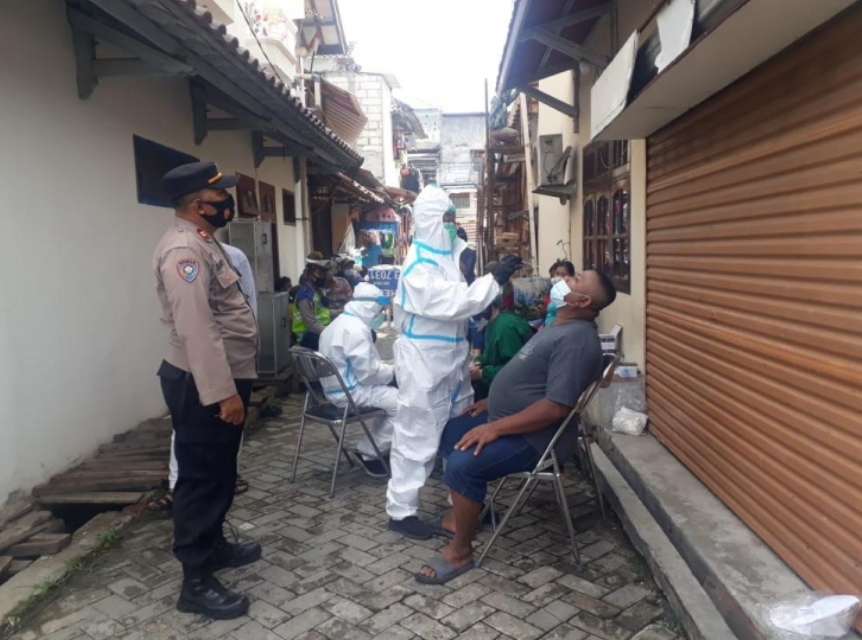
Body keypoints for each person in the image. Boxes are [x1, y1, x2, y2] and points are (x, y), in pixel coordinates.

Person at [414, 270, 617, 584]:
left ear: (580, 301)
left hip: (536, 438)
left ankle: (461, 550)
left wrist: (495, 428)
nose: (565, 280)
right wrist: (492, 401)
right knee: (452, 431)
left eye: (575, 279)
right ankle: (465, 513)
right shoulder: (560, 324)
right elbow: (532, 380)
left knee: (462, 464)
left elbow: (556, 407)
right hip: (511, 420)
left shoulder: (576, 340)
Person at [153, 161, 260, 619]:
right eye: (220, 196)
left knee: (219, 472)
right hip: (204, 384)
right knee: (199, 479)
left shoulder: (203, 241)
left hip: (221, 378)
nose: (227, 203)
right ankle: (194, 582)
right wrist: (222, 393)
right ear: (199, 205)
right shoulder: (184, 251)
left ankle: (213, 546)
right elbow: (196, 327)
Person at [387, 184, 522, 539]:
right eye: (446, 219)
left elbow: (463, 262)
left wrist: (479, 265)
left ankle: (464, 503)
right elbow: (454, 302)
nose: (451, 225)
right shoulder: (417, 266)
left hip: (452, 358)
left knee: (458, 434)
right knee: (417, 435)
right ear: (431, 221)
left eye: (453, 218)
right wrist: (493, 280)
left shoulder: (447, 255)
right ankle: (401, 511)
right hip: (423, 360)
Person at [148, 243, 256, 513]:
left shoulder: (232, 254)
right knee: (189, 435)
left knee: (228, 431)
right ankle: (178, 487)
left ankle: (226, 479)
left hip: (231, 358)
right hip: (196, 361)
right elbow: (192, 321)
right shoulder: (184, 249)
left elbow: (248, 302)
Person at [319, 282, 397, 478]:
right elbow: (368, 373)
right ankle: (369, 452)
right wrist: (393, 371)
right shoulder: (356, 329)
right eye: (379, 310)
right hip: (351, 392)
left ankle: (375, 448)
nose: (379, 315)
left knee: (389, 401)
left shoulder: (336, 325)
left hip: (335, 390)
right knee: (403, 404)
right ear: (370, 307)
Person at [470, 290, 533, 401]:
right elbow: (492, 354)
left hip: (518, 392)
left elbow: (514, 369)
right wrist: (477, 362)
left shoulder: (505, 327)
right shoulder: (492, 323)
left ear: (490, 305)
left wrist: (482, 373)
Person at [292, 252, 331, 351]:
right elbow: (312, 325)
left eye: (324, 274)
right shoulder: (305, 295)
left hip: (319, 330)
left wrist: (343, 311)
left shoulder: (316, 291)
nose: (323, 277)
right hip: (306, 335)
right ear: (310, 274)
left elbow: (324, 311)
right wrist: (333, 331)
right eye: (320, 274)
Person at [542, 260, 576, 327]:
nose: (558, 277)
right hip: (548, 327)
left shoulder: (571, 294)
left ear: (571, 276)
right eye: (557, 274)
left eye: (563, 274)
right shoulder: (556, 291)